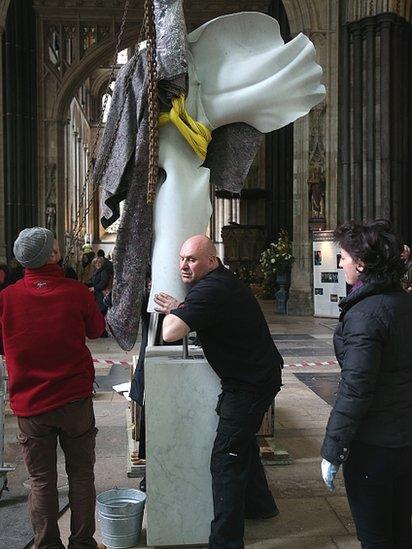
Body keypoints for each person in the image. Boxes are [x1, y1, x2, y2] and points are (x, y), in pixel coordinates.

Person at [154, 234, 283, 549]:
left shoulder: (211, 289)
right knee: (241, 444)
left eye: (192, 259)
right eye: (182, 258)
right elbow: (203, 310)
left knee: (226, 459)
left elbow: (170, 332)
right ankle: (260, 506)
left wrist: (178, 312)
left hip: (249, 385)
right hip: (257, 377)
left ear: (211, 260)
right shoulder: (218, 283)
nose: (184, 265)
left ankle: (225, 542)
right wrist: (183, 306)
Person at [0, 227, 106, 549]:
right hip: (74, 400)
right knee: (81, 475)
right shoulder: (76, 293)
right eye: (57, 246)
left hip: (31, 404)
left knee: (41, 480)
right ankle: (83, 544)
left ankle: (47, 545)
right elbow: (97, 330)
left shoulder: (6, 298)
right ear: (54, 256)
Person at [320, 219, 412, 548]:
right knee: (400, 530)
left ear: (361, 263)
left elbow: (356, 389)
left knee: (376, 536)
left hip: (375, 447)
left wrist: (333, 449)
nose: (340, 262)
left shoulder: (367, 313)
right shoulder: (402, 302)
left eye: (343, 256)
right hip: (403, 439)